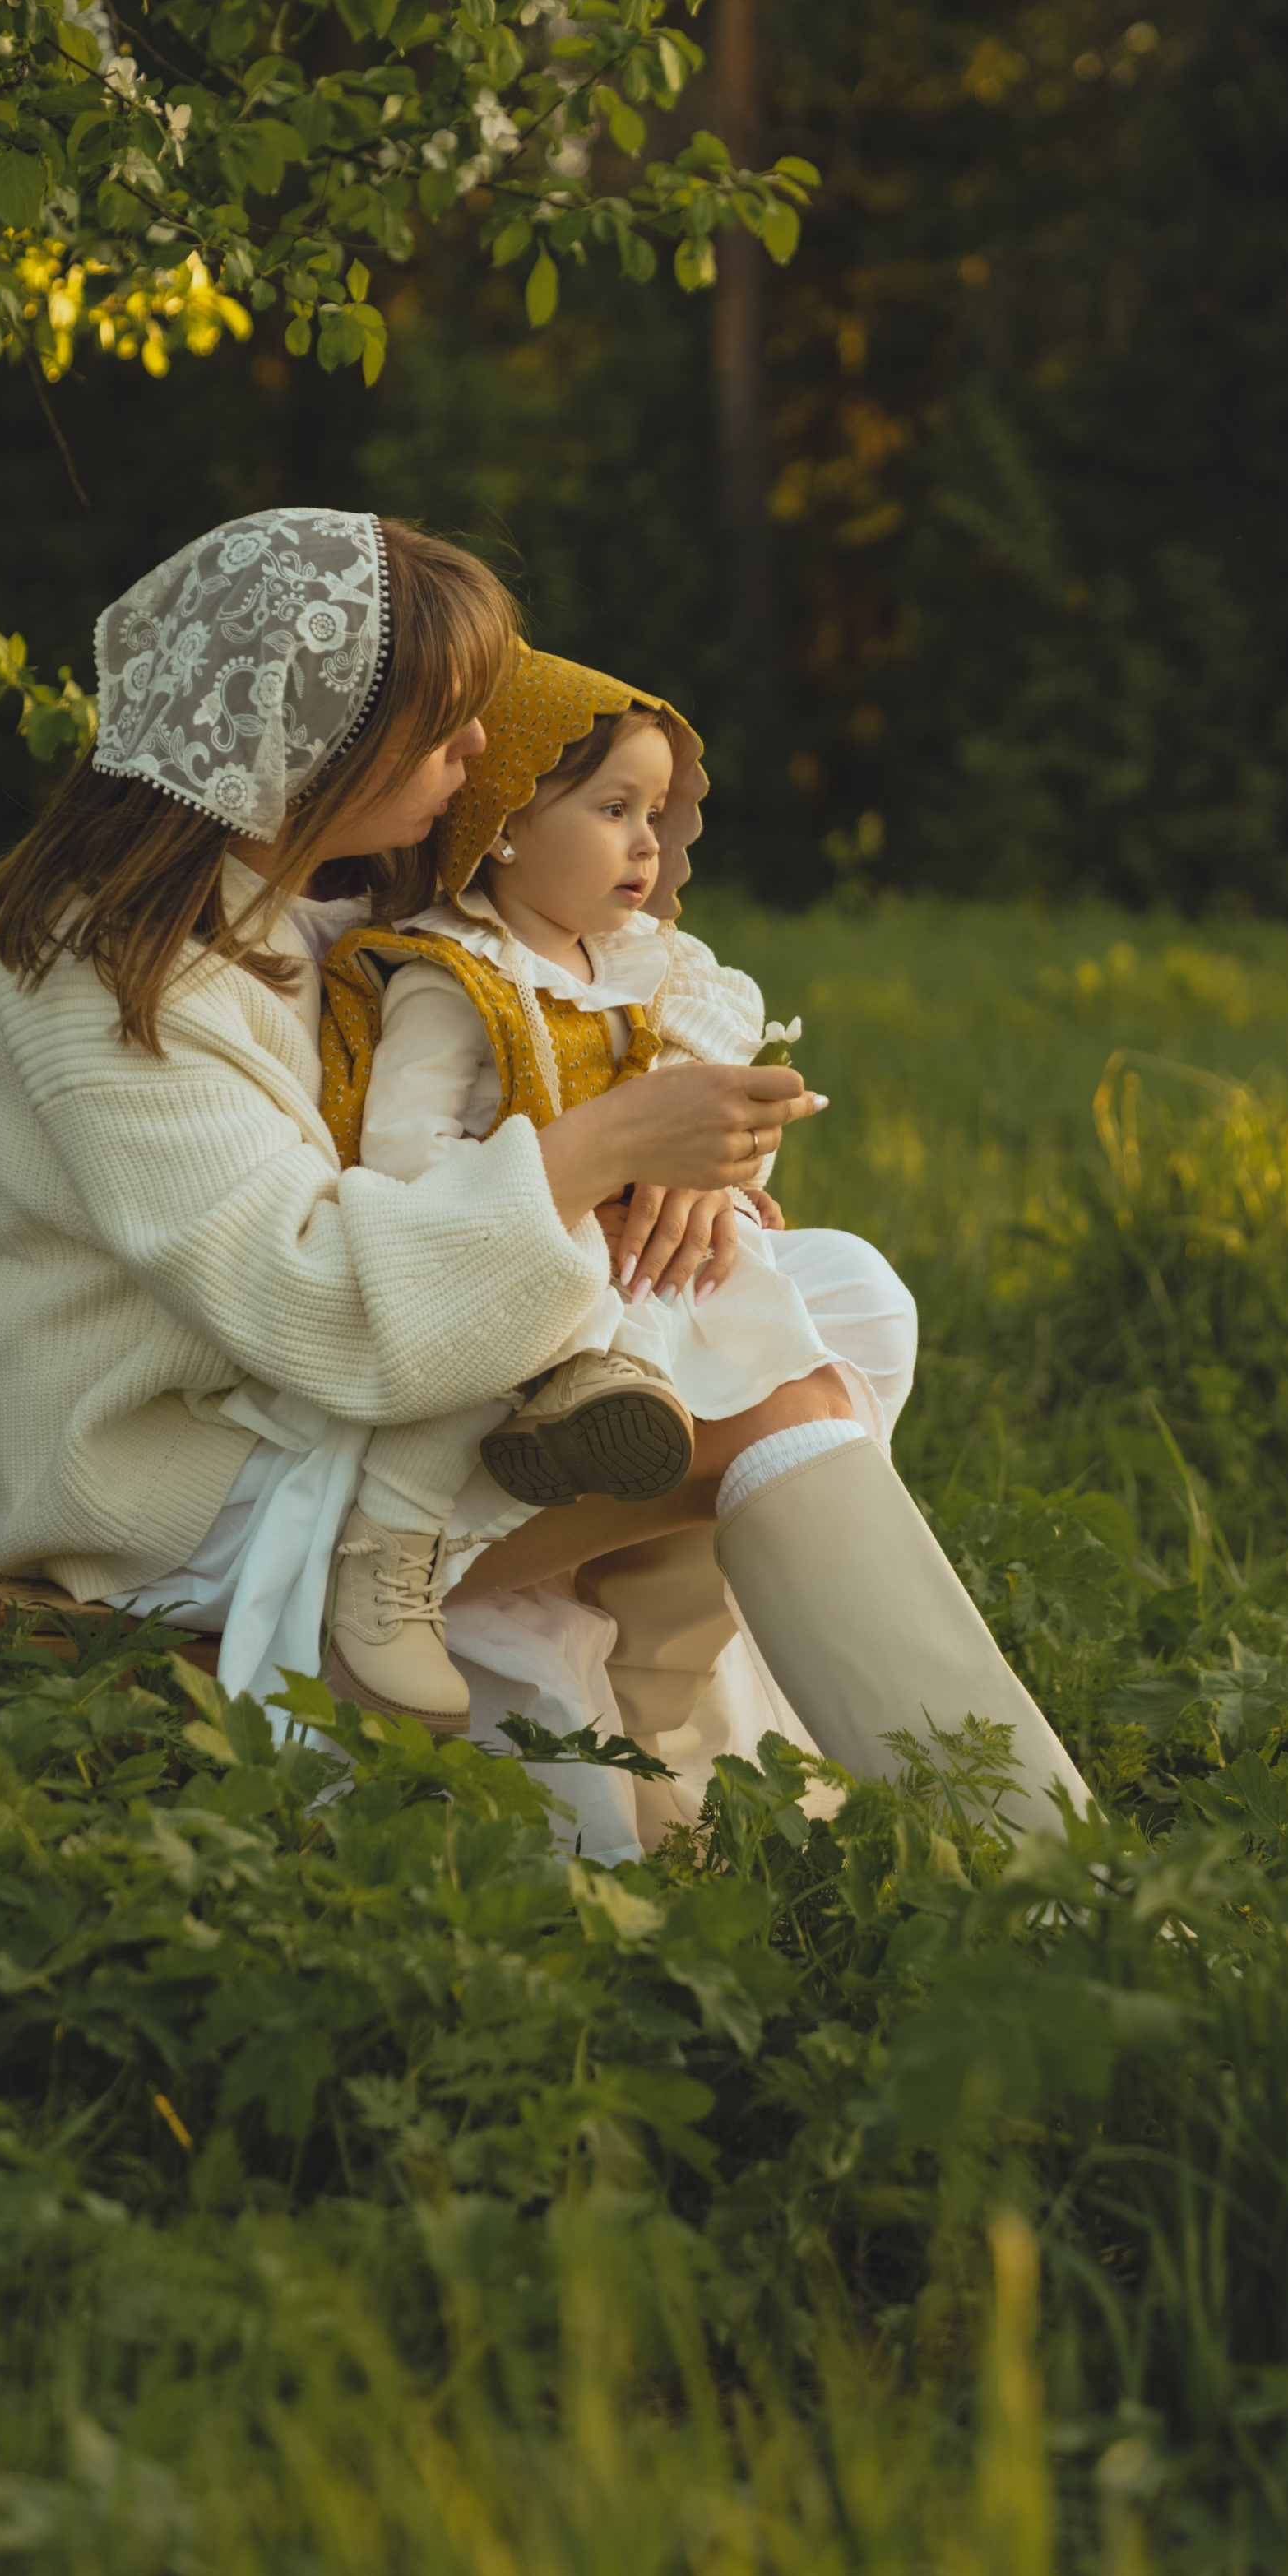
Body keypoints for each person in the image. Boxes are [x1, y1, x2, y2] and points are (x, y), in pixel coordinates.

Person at [0, 507, 1086, 1856]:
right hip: (192, 1470)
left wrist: (684, 1181)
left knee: (833, 1291)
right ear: (313, 749)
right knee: (780, 1394)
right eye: (440, 729)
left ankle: (650, 1736)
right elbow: (312, 1299)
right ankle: (1036, 1860)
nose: (479, 753)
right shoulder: (103, 975)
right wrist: (604, 1154)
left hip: (343, 1396)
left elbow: (576, 1031)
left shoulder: (316, 901)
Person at [312, 643, 919, 1748]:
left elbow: (712, 1044)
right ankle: (391, 1553)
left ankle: (665, 1569)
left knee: (798, 1311)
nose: (646, 841)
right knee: (470, 1381)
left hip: (619, 1263)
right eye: (612, 808)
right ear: (502, 820)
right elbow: (402, 1156)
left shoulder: (639, 961)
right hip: (499, 1258)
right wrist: (569, 1189)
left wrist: (728, 1167)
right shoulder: (455, 980)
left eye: (656, 812)